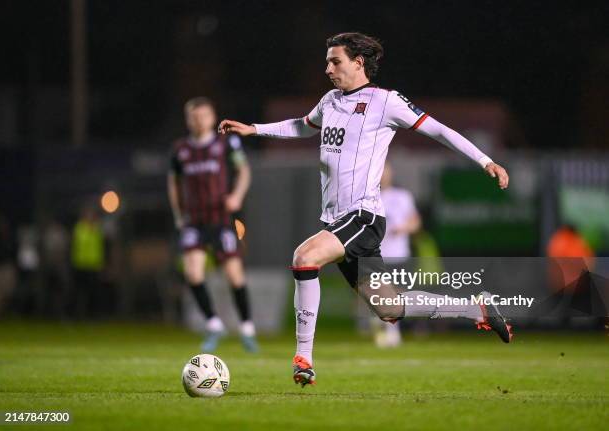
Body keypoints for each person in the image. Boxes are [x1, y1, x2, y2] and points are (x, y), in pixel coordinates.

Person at [219, 32, 512, 386]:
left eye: (335, 61)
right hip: (338, 219)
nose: (327, 68)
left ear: (358, 63)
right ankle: (476, 309)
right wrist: (254, 129)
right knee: (388, 308)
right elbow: (302, 126)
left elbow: (439, 131)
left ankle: (303, 359)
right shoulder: (330, 101)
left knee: (304, 256)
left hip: (363, 216)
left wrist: (485, 161)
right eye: (327, 61)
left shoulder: (386, 101)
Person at [168, 97, 258, 353]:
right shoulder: (180, 150)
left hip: (220, 219)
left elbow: (244, 171)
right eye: (194, 116)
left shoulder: (226, 142)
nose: (199, 120)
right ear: (188, 120)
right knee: (193, 273)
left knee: (234, 275)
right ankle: (213, 323)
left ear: (212, 117)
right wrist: (178, 214)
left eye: (203, 116)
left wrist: (237, 196)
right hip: (194, 221)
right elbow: (173, 183)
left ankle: (247, 328)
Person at [371, 163, 421, 348]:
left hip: (399, 254)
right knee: (378, 295)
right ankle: (383, 330)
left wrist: (403, 228)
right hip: (376, 255)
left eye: (386, 170)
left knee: (397, 294)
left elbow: (415, 222)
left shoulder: (402, 196)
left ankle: (392, 331)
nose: (383, 174)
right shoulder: (368, 197)